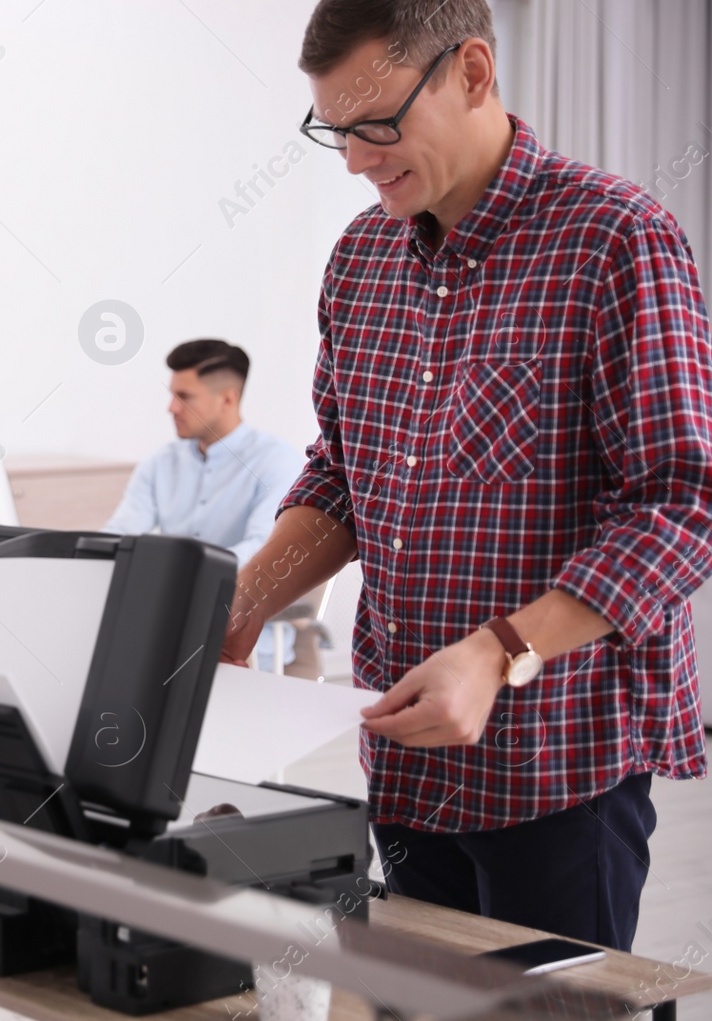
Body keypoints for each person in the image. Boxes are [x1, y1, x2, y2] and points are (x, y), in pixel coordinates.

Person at [222, 0, 712, 952]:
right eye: (335, 131)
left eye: (376, 125)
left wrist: (498, 652)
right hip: (405, 765)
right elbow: (341, 474)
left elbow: (680, 505)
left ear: (473, 73)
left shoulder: (616, 240)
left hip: (560, 772)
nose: (356, 161)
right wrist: (246, 596)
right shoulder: (362, 260)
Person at [104, 339, 305, 669]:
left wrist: (177, 574)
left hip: (244, 649)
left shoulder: (276, 462)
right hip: (167, 636)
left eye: (184, 397)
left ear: (228, 398)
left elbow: (263, 549)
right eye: (172, 395)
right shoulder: (160, 463)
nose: (171, 408)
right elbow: (121, 533)